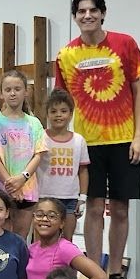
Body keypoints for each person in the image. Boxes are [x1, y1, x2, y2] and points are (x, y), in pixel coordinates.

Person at [54, 0, 140, 279]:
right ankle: (95, 273)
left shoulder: (125, 43)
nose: (87, 16)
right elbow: (61, 102)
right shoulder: (66, 55)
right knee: (94, 208)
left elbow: (139, 90)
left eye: (92, 10)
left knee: (120, 208)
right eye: (81, 12)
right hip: (86, 143)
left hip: (123, 139)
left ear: (103, 13)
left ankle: (117, 273)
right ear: (75, 17)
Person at [0, 70, 47, 238]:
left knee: (21, 238)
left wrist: (22, 177)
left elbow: (38, 154)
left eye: (17, 89)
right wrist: (9, 183)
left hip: (27, 188)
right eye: (8, 89)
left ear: (26, 91)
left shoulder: (34, 123)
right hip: (2, 190)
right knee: (1, 236)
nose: (13, 93)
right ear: (1, 93)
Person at [38, 88, 90, 241]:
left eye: (63, 111)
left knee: (67, 240)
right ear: (47, 114)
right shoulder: (40, 137)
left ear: (71, 114)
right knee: (42, 239)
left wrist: (83, 198)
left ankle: (65, 266)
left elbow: (83, 170)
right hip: (44, 197)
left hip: (70, 199)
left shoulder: (79, 140)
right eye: (53, 111)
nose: (58, 115)